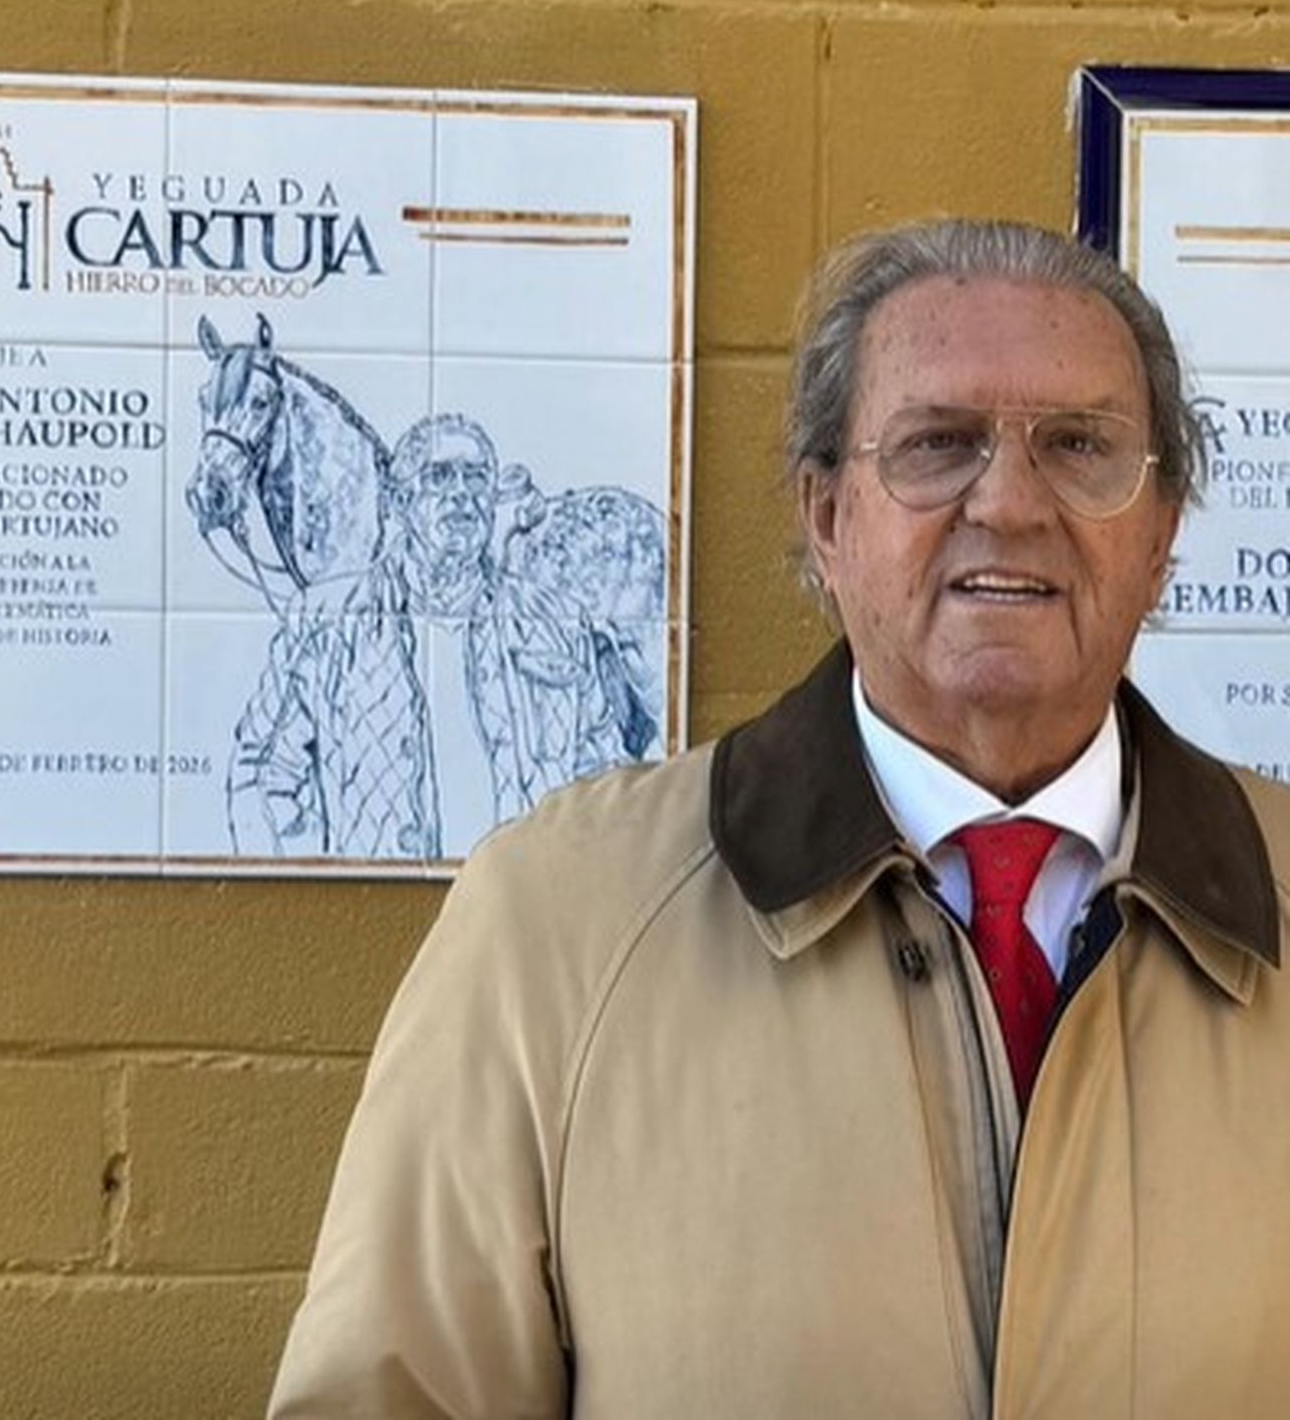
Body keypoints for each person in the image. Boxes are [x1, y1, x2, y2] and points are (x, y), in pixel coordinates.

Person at [267, 220, 1290, 1416]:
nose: (1010, 503)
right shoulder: (556, 924)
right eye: (937, 443)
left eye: (1078, 445)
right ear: (826, 516)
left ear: (1161, 533)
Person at [228, 412, 622, 860]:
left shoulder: (555, 623)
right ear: (399, 502)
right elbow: (260, 774)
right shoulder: (327, 621)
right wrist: (321, 883)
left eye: (476, 478)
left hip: (528, 896)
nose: (461, 494)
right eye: (439, 477)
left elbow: (606, 776)